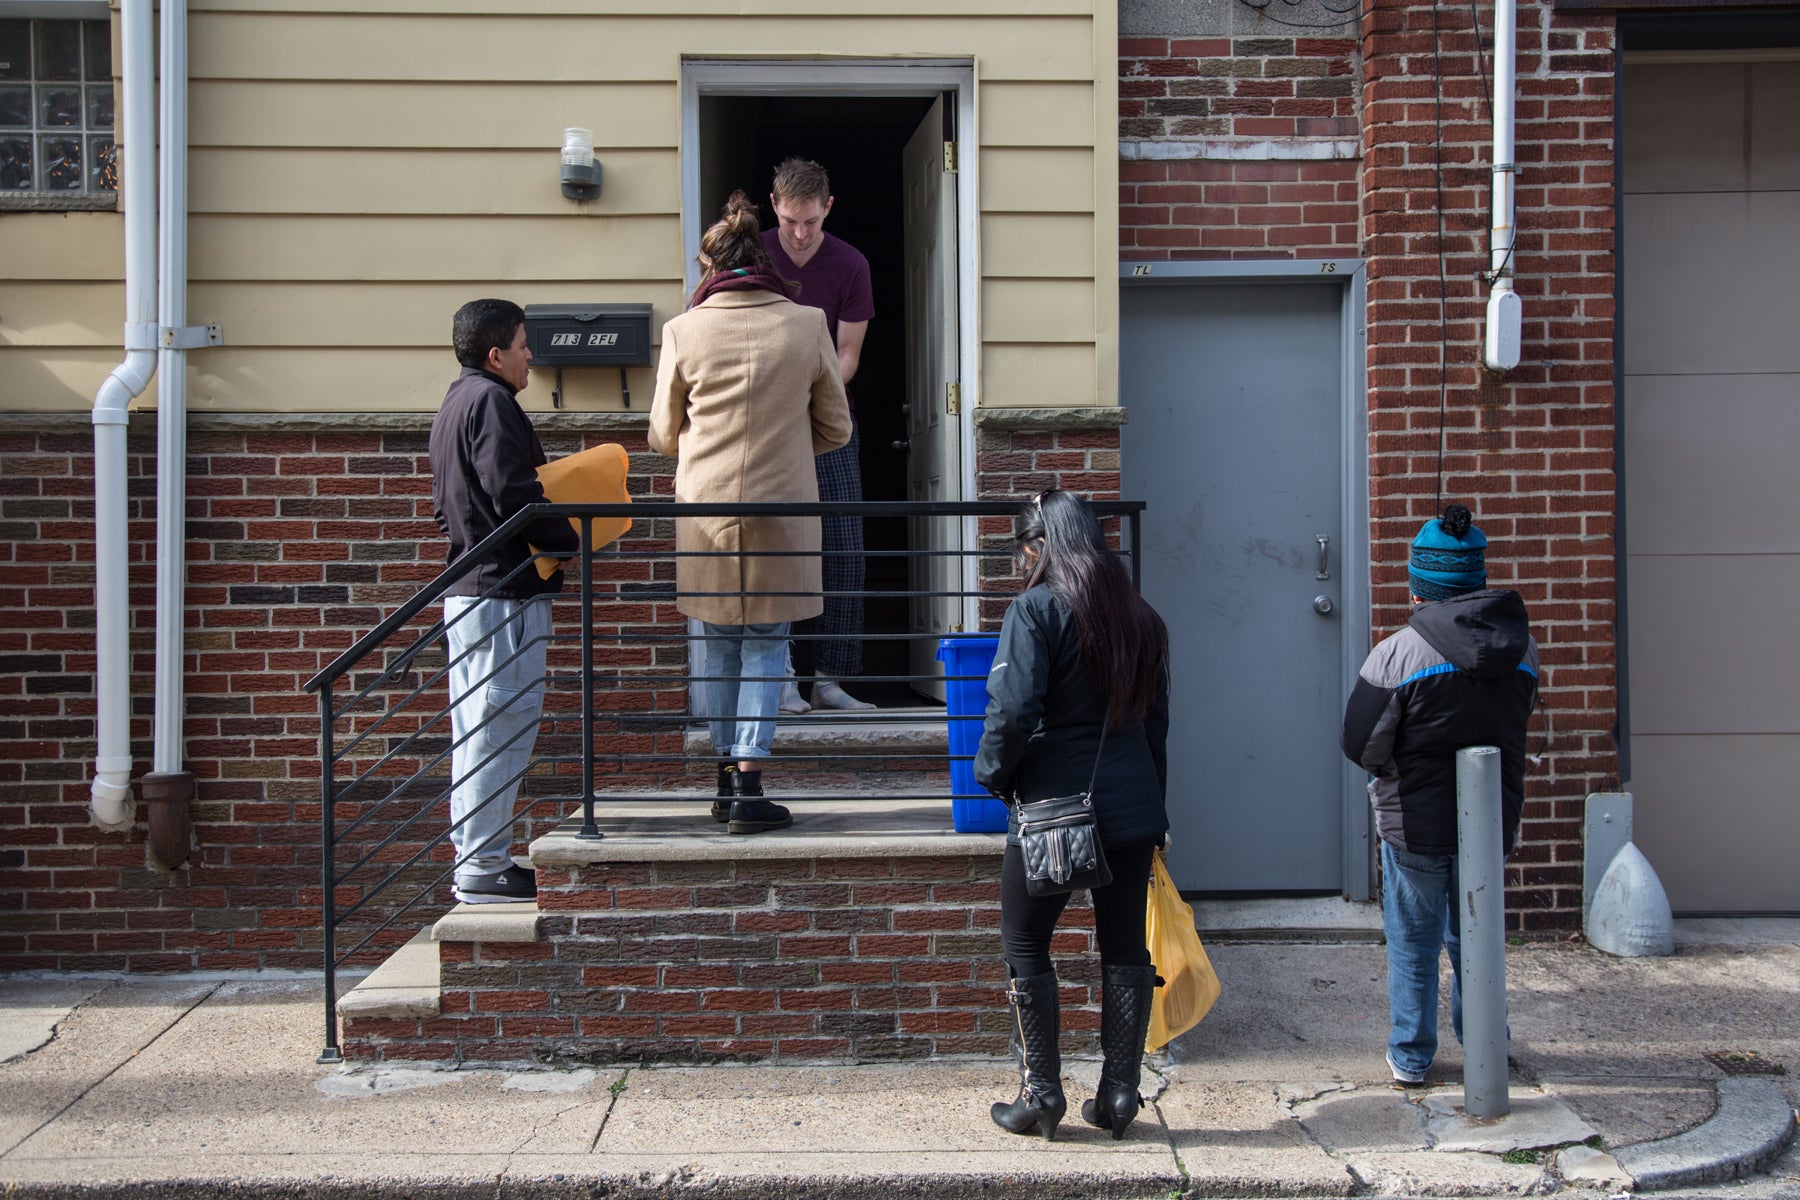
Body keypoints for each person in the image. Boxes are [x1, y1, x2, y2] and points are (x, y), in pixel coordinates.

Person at [650, 191, 852, 834]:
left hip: (706, 516)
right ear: (764, 259)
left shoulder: (683, 330)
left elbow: (661, 434)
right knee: (769, 644)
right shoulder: (808, 322)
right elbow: (837, 428)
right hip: (782, 510)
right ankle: (749, 784)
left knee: (719, 646)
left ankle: (723, 781)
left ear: (710, 267)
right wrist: (788, 447)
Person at [974, 489, 1171, 1142]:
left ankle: (1041, 1097)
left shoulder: (1034, 610)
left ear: (1038, 547)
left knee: (1027, 943)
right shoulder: (1142, 617)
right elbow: (1158, 727)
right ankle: (1119, 1095)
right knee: (1125, 945)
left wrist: (991, 776)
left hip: (1054, 813)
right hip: (1135, 808)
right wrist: (1155, 810)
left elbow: (1012, 713)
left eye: (1022, 552)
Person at [1340, 503, 1540, 1086]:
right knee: (1478, 937)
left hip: (1414, 825)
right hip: (1491, 820)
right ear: (1476, 575)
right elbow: (1518, 723)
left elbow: (1362, 744)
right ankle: (1486, 1046)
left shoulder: (1398, 654)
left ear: (1420, 583)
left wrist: (1396, 774)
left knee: (1413, 940)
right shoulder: (1522, 650)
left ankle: (1411, 1055)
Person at [428, 298, 580, 904]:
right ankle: (485, 867)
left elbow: (447, 506)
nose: (529, 357)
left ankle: (479, 859)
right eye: (522, 346)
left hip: (470, 592)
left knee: (478, 728)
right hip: (504, 595)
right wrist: (566, 542)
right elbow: (514, 493)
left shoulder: (455, 402)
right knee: (501, 726)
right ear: (496, 354)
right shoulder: (492, 403)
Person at [761, 156, 877, 713]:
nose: (800, 234)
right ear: (775, 209)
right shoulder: (753, 255)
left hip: (830, 421)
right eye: (789, 221)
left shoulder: (850, 263)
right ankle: (780, 677)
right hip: (765, 426)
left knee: (844, 548)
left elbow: (849, 353)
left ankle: (829, 681)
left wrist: (812, 395)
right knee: (775, 543)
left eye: (810, 220)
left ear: (827, 207)